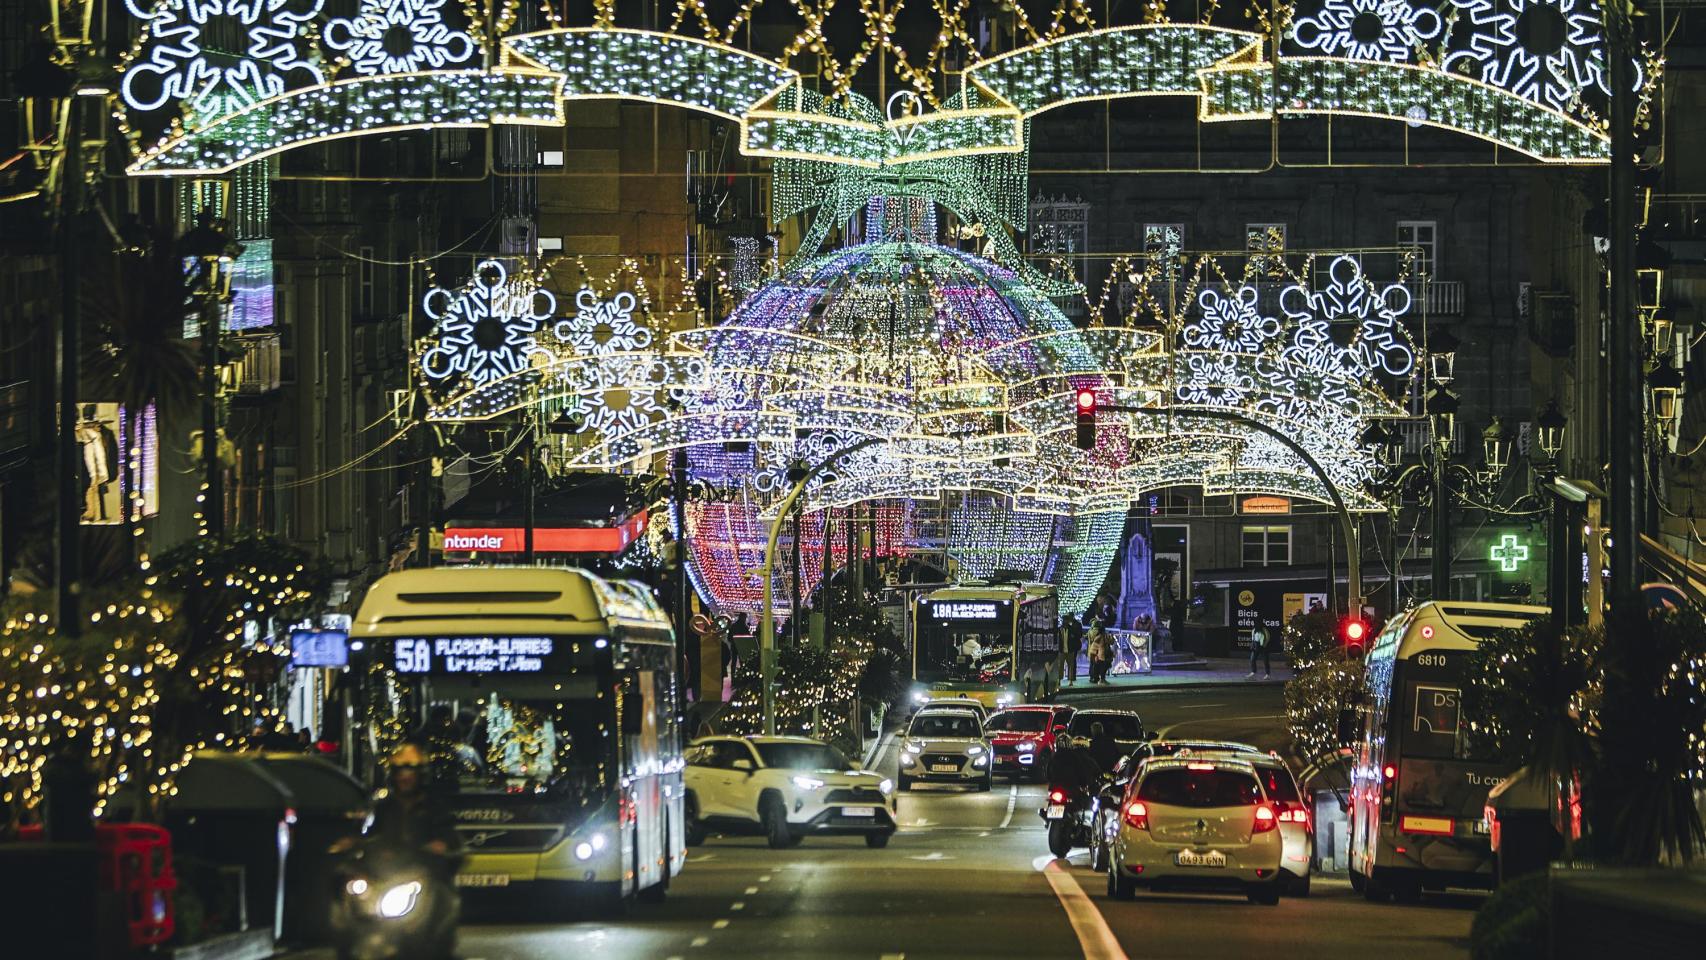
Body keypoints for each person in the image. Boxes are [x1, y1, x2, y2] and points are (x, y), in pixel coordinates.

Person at [1063, 617, 1084, 685]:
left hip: (1073, 646)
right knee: (1072, 662)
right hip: (1072, 646)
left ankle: (1071, 677)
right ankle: (1071, 677)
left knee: (1072, 662)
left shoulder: (1073, 626)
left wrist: (1074, 636)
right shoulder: (1075, 625)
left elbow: (1078, 635)